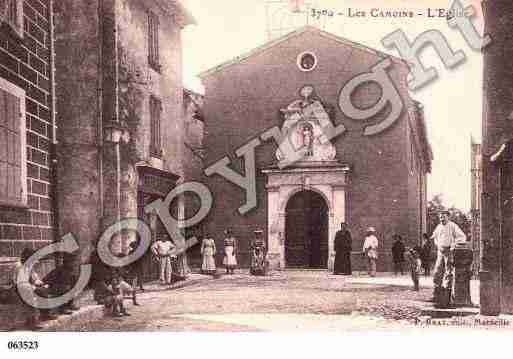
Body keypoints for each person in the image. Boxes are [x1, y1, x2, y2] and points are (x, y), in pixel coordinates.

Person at [13, 248, 57, 329]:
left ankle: (45, 314)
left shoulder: (29, 265)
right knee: (30, 296)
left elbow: (34, 277)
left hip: (27, 286)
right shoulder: (19, 266)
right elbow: (21, 283)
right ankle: (31, 321)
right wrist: (33, 287)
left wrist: (39, 282)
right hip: (20, 287)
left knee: (43, 291)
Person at [430, 210, 467, 302]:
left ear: (448, 217)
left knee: (448, 272)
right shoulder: (438, 227)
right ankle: (436, 294)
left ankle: (447, 295)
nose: (442, 219)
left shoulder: (452, 226)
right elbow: (434, 237)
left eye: (444, 217)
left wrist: (453, 245)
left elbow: (462, 237)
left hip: (449, 251)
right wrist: (437, 244)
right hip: (440, 251)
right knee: (437, 272)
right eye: (440, 217)